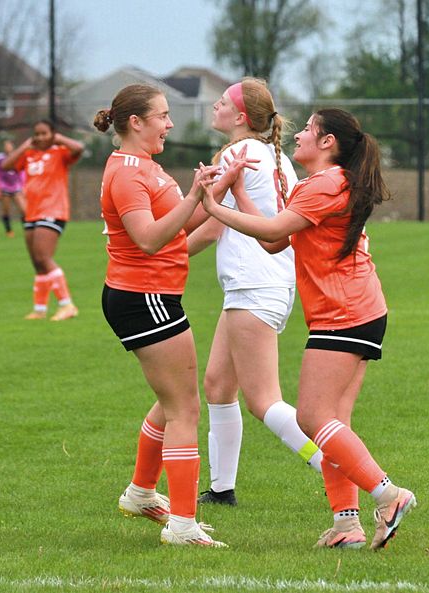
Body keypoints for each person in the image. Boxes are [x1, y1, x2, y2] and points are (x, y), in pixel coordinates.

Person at [202, 108, 417, 550]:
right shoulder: (323, 183)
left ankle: (389, 496)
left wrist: (211, 206)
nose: (298, 134)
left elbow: (274, 228)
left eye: (309, 129)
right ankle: (346, 525)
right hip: (355, 309)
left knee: (313, 417)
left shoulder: (325, 183)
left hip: (345, 312)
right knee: (334, 423)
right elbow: (273, 240)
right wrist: (240, 194)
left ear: (327, 143)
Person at [93, 84, 251, 547]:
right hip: (144, 297)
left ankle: (141, 493)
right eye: (162, 115)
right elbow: (147, 238)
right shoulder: (126, 173)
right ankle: (183, 524)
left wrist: (218, 186)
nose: (170, 123)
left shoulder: (146, 166)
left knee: (170, 401)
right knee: (184, 408)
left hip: (151, 294)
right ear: (135, 122)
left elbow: (182, 226)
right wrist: (197, 194)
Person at [186, 78, 323, 507]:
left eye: (222, 102)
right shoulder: (271, 154)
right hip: (264, 282)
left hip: (253, 282)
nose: (215, 104)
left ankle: (339, 467)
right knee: (217, 385)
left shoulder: (237, 153)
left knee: (264, 401)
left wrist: (159, 257)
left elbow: (209, 226)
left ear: (240, 118)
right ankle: (222, 490)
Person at [2, 120, 84, 321]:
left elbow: (79, 148)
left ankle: (67, 305)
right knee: (37, 263)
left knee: (44, 257)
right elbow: (6, 165)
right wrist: (25, 145)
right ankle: (40, 309)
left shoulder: (60, 153)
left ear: (53, 134)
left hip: (53, 211)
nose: (39, 137)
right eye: (36, 134)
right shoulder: (29, 155)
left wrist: (59, 139)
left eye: (44, 133)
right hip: (32, 212)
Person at [0, 138, 25, 237]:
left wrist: (23, 185)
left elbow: (22, 171)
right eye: (6, 145)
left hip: (16, 186)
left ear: (12, 146)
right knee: (6, 210)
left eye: (9, 145)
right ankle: (9, 231)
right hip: (4, 186)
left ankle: (27, 228)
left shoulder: (17, 156)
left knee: (23, 209)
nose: (7, 147)